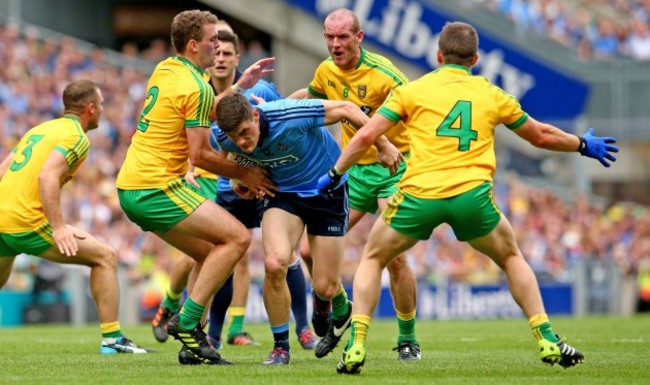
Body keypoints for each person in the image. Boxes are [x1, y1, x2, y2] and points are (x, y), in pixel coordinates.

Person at [320, 21, 618, 374]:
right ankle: (546, 338)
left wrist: (335, 173)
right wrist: (582, 144)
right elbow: (539, 136)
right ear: (475, 58)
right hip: (471, 197)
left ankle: (356, 346)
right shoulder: (492, 93)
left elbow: (365, 135)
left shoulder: (413, 90)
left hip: (420, 196)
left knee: (372, 257)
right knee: (510, 257)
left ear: (438, 55)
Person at [115, 9, 276, 365]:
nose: (218, 47)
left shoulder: (166, 69)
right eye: (212, 41)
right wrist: (245, 173)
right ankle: (186, 323)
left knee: (207, 251)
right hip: (155, 187)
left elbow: (199, 108)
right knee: (238, 238)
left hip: (134, 186)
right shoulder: (196, 86)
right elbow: (200, 155)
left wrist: (238, 87)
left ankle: (192, 343)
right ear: (193, 45)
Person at [152, 26, 319, 352]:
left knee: (273, 255)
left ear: (236, 59)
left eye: (227, 53)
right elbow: (190, 137)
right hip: (214, 178)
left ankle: (288, 328)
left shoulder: (259, 91)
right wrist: (189, 170)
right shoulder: (198, 89)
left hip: (258, 178)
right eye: (217, 51)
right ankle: (183, 315)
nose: (220, 57)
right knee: (204, 254)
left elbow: (282, 120)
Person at [290, 8, 421, 360]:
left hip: (395, 166)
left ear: (359, 37)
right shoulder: (325, 69)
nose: (335, 44)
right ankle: (341, 306)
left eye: (343, 37)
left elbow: (418, 112)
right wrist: (279, 107)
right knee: (306, 251)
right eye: (329, 37)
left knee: (392, 255)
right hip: (355, 171)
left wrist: (390, 146)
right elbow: (314, 94)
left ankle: (407, 338)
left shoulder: (386, 75)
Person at [214, 93, 369, 365]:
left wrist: (384, 143)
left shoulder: (290, 115)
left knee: (326, 285)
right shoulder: (225, 134)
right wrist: (238, 178)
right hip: (283, 195)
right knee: (274, 264)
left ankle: (325, 303)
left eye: (245, 133)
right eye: (234, 136)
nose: (241, 142)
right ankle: (280, 348)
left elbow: (346, 107)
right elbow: (225, 158)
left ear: (256, 116)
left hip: (327, 190)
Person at [0, 79, 150, 354]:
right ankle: (112, 340)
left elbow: (3, 169)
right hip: (25, 221)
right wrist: (58, 227)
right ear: (90, 108)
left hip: (3, 216)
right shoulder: (76, 137)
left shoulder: (40, 129)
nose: (103, 110)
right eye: (102, 104)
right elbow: (47, 176)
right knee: (105, 257)